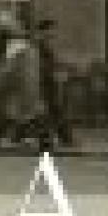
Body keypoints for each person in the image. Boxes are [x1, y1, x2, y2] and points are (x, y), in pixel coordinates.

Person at [0, 19, 51, 152]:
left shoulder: (15, 49)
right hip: (30, 87)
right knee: (34, 116)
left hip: (19, 91)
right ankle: (44, 141)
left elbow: (10, 70)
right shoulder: (30, 48)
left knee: (4, 115)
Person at [34, 18, 76, 149]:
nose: (53, 33)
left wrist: (66, 67)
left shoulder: (44, 45)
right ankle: (58, 140)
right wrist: (55, 70)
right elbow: (40, 64)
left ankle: (60, 139)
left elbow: (51, 62)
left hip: (47, 82)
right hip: (42, 82)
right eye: (51, 30)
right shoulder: (38, 46)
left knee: (53, 111)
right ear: (43, 31)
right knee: (50, 111)